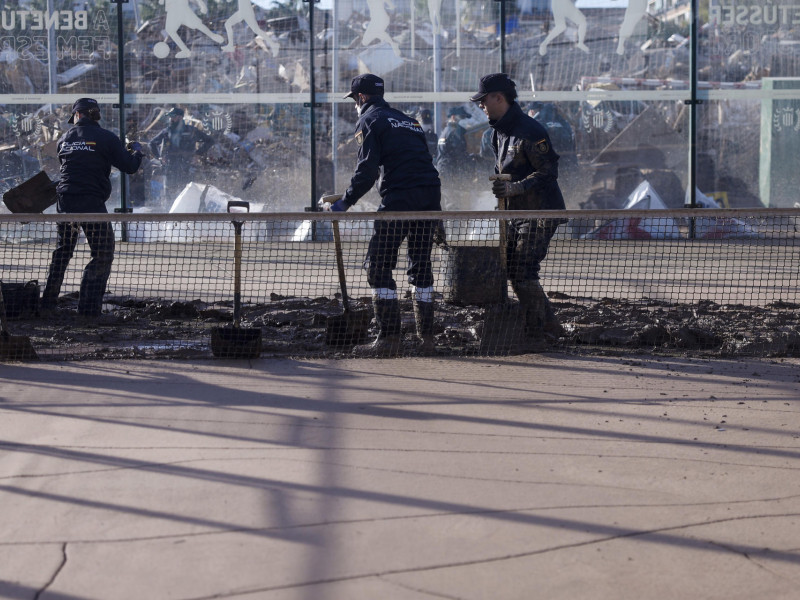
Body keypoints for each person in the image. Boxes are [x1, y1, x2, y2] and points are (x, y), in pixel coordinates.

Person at [324, 73, 442, 356]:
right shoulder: (410, 121)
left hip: (399, 199)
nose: (355, 105)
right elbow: (422, 163)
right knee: (421, 266)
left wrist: (343, 203)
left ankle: (389, 339)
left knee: (377, 267)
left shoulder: (369, 120)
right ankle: (426, 340)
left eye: (354, 100)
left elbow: (367, 171)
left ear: (361, 98)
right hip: (430, 197)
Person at [470, 73, 566, 346]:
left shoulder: (531, 131)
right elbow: (501, 171)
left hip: (541, 211)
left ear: (498, 98)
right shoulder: (497, 133)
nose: (480, 106)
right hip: (515, 214)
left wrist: (516, 189)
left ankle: (541, 331)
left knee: (523, 269)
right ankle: (546, 325)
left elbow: (549, 171)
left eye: (483, 100)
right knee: (512, 268)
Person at [41, 98, 144, 318]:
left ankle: (47, 303)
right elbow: (130, 167)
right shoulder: (107, 138)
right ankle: (88, 309)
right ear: (95, 115)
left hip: (65, 202)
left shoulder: (64, 139)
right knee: (103, 253)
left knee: (63, 251)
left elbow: (74, 168)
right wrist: (137, 151)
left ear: (77, 115)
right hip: (91, 205)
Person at [149, 107, 215, 203]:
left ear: (180, 117)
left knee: (187, 193)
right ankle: (171, 215)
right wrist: (159, 157)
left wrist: (198, 154)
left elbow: (210, 141)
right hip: (170, 166)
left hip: (187, 166)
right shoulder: (167, 131)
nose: (170, 119)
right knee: (169, 194)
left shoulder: (192, 131)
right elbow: (152, 143)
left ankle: (186, 215)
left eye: (173, 117)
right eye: (170, 117)